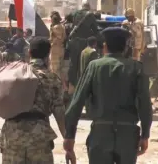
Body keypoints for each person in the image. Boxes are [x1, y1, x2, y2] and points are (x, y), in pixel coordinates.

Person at [64, 27, 153, 164]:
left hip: (101, 134)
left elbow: (76, 102)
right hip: (128, 135)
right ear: (125, 48)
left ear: (105, 46)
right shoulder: (137, 68)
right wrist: (145, 135)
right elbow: (145, 105)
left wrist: (69, 136)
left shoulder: (94, 66)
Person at [0, 37, 66, 164]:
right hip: (38, 136)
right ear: (48, 55)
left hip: (12, 134)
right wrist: (67, 140)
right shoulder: (51, 78)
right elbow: (59, 111)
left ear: (29, 53)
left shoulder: (13, 74)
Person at [67, 2, 99, 97]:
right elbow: (95, 30)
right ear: (89, 8)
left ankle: (71, 88)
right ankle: (83, 89)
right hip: (83, 43)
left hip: (73, 42)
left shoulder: (76, 13)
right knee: (84, 65)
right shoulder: (90, 15)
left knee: (73, 65)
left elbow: (69, 20)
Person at [50, 11, 66, 78]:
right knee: (59, 69)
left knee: (55, 69)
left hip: (55, 50)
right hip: (60, 49)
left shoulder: (56, 27)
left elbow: (57, 38)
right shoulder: (62, 26)